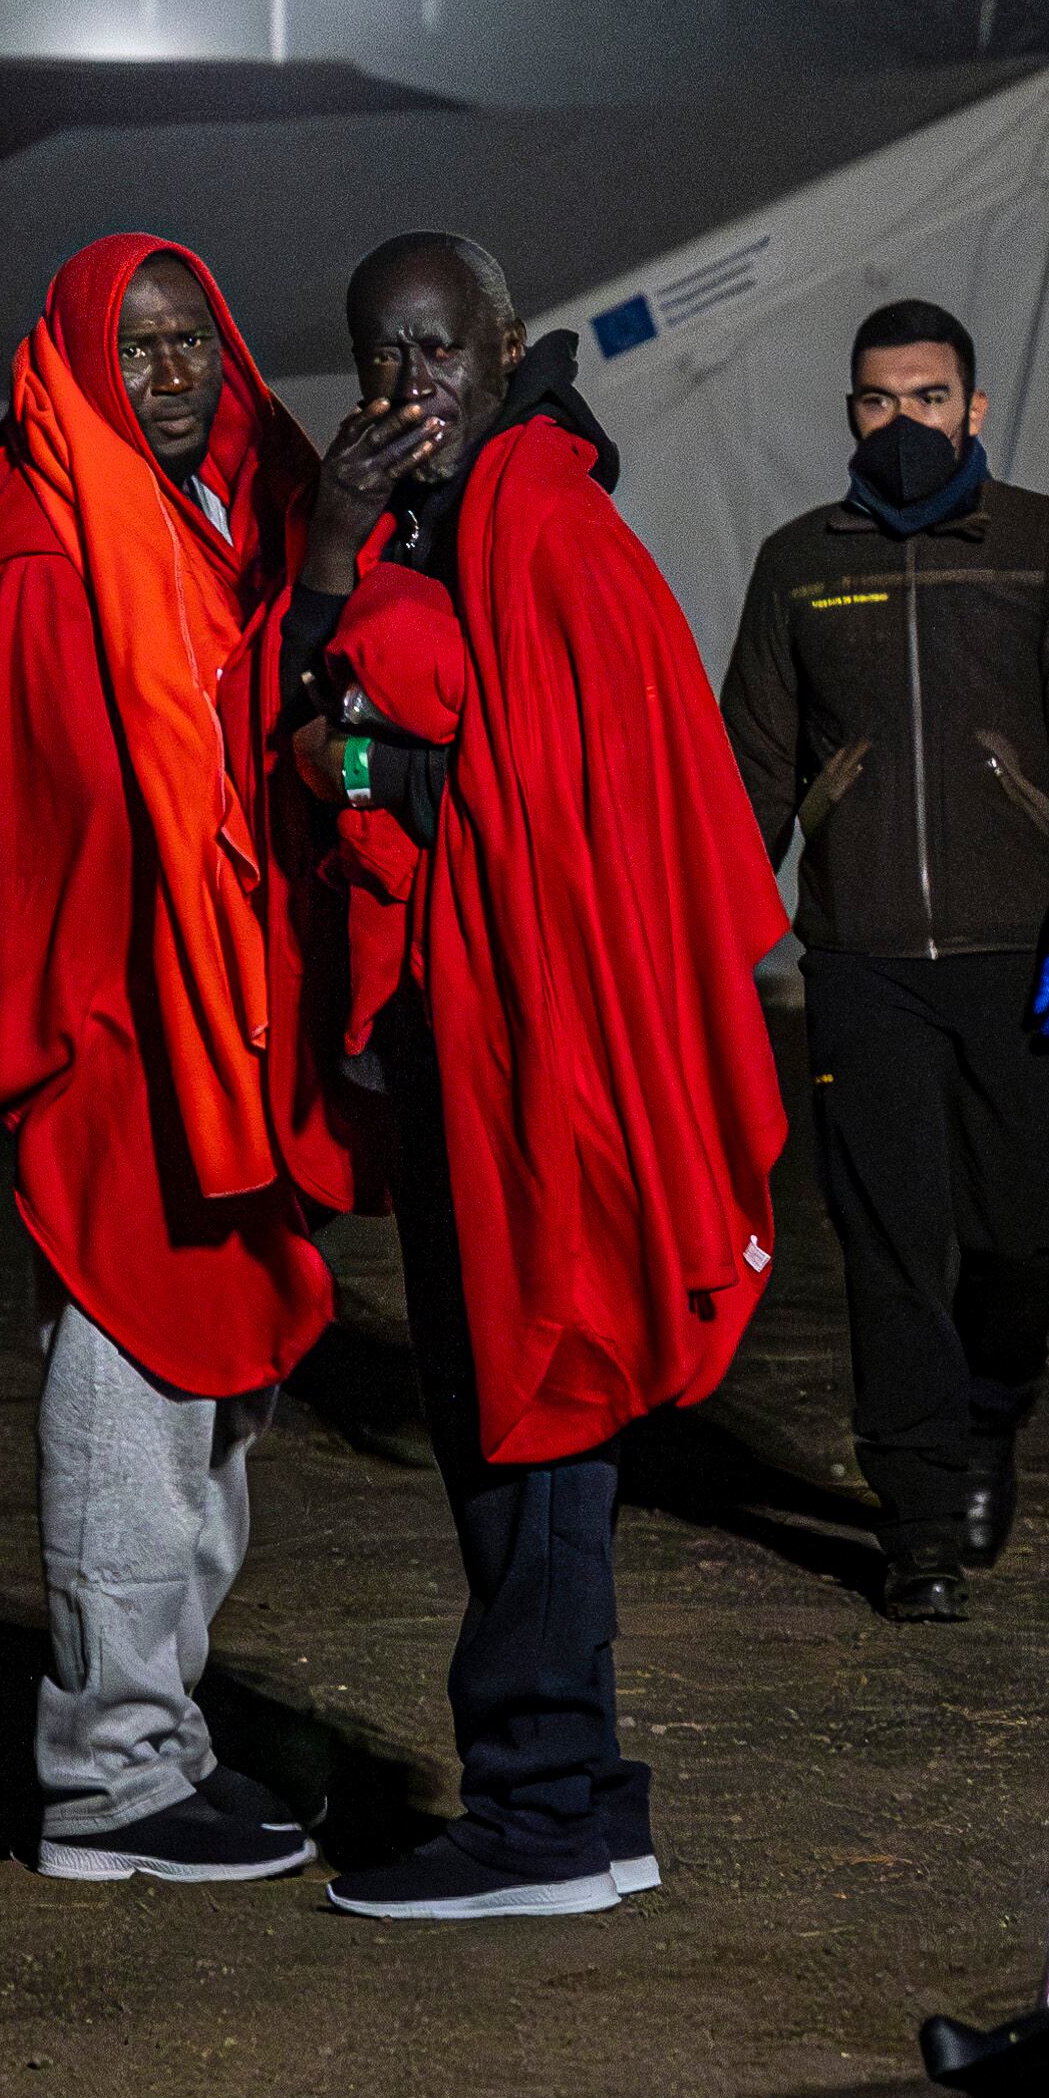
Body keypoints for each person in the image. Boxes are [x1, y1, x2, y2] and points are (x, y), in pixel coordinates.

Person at [285, 234, 789, 1919]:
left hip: (543, 1045)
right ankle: (573, 1795)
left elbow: (540, 804)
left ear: (507, 343)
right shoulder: (449, 518)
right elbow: (368, 745)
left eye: (437, 350)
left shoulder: (547, 526)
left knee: (538, 1396)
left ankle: (543, 1809)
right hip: (472, 1033)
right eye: (381, 358)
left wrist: (366, 743)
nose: (408, 387)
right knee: (495, 1405)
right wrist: (345, 565)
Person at [0, 235, 357, 1887]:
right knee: (129, 1395)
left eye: (193, 342)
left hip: (216, 1020)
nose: (171, 373)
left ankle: (159, 1741)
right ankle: (104, 1781)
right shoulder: (45, 541)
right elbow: (87, 808)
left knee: (215, 1408)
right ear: (84, 362)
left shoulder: (225, 507)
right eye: (139, 346)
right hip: (117, 1029)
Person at [715, 300, 1049, 1623]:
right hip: (863, 962)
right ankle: (920, 1520)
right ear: (849, 411)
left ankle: (990, 1416)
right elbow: (750, 774)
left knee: (1031, 1231)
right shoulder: (799, 565)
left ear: (976, 407)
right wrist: (716, 938)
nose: (904, 422)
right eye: (879, 400)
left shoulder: (1048, 547)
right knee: (891, 1245)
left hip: (1017, 957)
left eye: (929, 396)